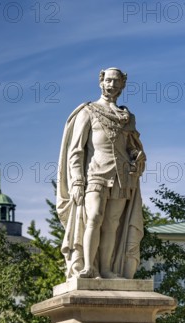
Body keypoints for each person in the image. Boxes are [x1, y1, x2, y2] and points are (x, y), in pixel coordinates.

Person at [56, 67, 146, 279]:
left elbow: (131, 146)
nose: (112, 85)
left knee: (112, 224)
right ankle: (88, 267)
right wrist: (77, 180)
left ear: (122, 85)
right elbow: (76, 150)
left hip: (122, 176)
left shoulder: (127, 117)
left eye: (116, 81)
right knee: (94, 217)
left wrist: (137, 155)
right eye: (108, 80)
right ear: (101, 82)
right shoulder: (88, 111)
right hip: (95, 174)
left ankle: (106, 269)